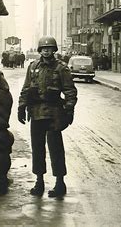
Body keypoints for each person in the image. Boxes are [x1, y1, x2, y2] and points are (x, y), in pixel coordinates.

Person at [18, 36, 78, 198]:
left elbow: (70, 91)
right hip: (36, 113)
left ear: (54, 50)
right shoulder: (33, 67)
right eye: (43, 48)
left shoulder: (61, 68)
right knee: (37, 148)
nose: (46, 50)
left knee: (56, 149)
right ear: (39, 50)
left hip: (54, 114)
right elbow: (26, 89)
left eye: (49, 48)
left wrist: (69, 109)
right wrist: (21, 106)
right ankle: (39, 181)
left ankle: (60, 182)